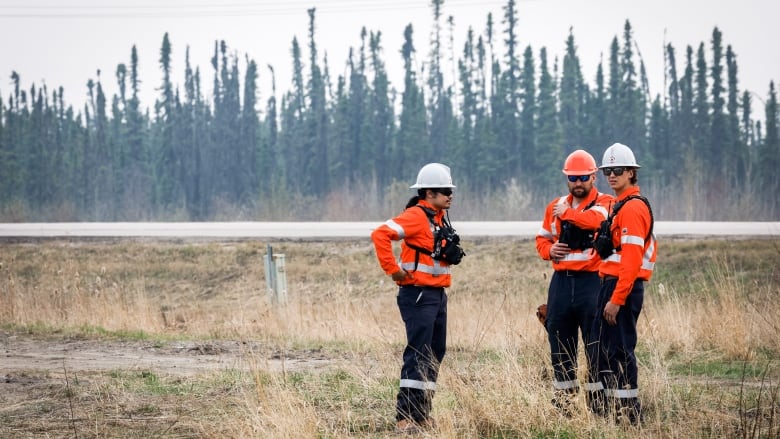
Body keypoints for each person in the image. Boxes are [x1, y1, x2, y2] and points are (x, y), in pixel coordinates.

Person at [370, 163, 459, 434]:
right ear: (429, 193)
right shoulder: (416, 216)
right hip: (418, 294)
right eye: (445, 191)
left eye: (451, 190)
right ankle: (404, 416)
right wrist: (393, 271)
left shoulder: (439, 217)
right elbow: (380, 234)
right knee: (418, 353)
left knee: (434, 353)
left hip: (436, 294)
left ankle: (422, 414)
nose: (450, 195)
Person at [535, 149, 614, 415]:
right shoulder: (555, 205)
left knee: (596, 345)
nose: (578, 183)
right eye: (572, 178)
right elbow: (541, 239)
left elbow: (596, 220)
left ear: (594, 176)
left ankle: (599, 408)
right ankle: (565, 407)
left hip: (592, 283)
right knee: (559, 344)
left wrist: (567, 213)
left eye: (583, 177)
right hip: (561, 282)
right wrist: (549, 250)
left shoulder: (606, 202)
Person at [587, 142, 657, 425]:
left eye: (617, 170)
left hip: (622, 288)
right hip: (614, 285)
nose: (611, 176)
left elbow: (630, 260)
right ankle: (617, 411)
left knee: (620, 350)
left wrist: (616, 300)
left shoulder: (631, 209)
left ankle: (630, 414)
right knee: (608, 351)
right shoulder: (621, 206)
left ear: (631, 172)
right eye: (607, 171)